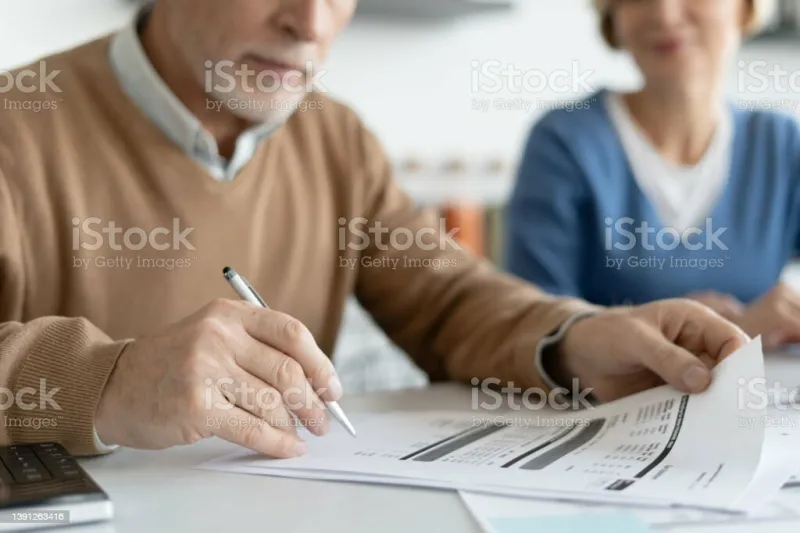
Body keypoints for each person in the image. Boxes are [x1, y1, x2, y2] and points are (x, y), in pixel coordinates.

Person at [0, 0, 747, 459]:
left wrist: (575, 338)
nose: (313, 22)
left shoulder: (338, 140)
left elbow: (447, 297)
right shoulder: (18, 125)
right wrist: (107, 381)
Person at [507, 0, 800, 351]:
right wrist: (728, 332)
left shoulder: (780, 144)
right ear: (612, 16)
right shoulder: (564, 142)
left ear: (745, 9)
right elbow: (532, 327)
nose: (665, 14)